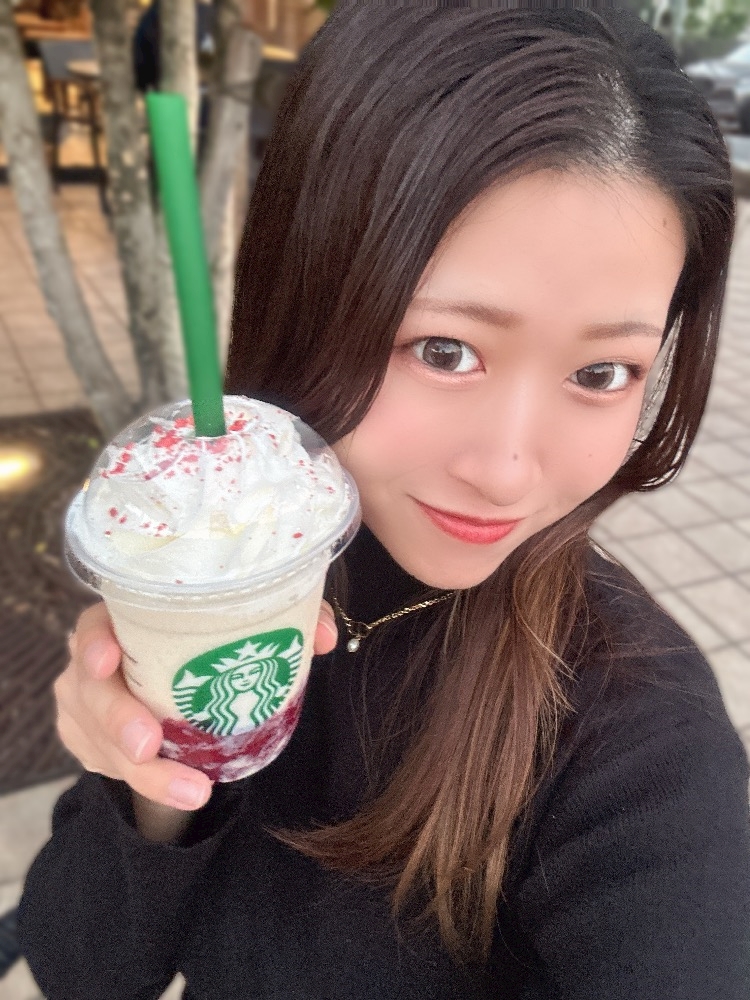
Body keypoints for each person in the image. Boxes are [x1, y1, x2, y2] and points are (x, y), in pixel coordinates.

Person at [17, 4, 750, 998]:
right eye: (445, 350)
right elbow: (80, 968)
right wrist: (156, 780)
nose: (506, 472)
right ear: (306, 296)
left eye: (602, 373)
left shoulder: (643, 734)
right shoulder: (221, 570)